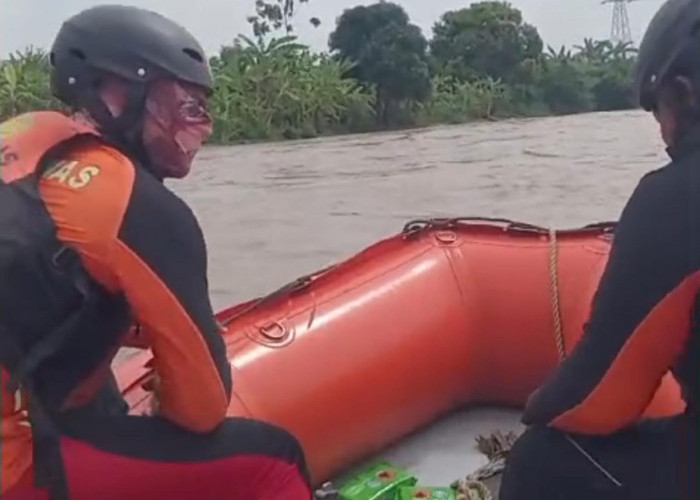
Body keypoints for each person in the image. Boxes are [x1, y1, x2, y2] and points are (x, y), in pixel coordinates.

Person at [0, 5, 312, 500]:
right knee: (274, 459)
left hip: (26, 405)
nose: (195, 128)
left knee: (96, 399)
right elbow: (201, 408)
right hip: (14, 466)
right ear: (119, 93)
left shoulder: (21, 149)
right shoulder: (137, 204)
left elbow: (28, 289)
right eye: (180, 105)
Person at [498, 1, 700, 499]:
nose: (662, 132)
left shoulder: (673, 198)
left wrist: (537, 408)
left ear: (684, 92)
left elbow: (594, 396)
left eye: (659, 112)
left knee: (538, 462)